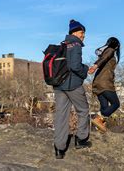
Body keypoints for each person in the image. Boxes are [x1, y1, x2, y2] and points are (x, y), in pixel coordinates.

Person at [53, 19, 91, 159]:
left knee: (61, 115)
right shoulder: (75, 45)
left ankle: (59, 148)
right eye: (82, 32)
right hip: (72, 85)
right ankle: (81, 140)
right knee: (83, 110)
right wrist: (85, 70)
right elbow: (75, 66)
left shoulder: (62, 44)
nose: (83, 36)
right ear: (74, 32)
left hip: (59, 85)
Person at [88, 37, 121, 132]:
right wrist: (95, 66)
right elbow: (104, 58)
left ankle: (100, 127)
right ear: (117, 46)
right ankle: (98, 117)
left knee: (105, 107)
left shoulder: (105, 52)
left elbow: (103, 58)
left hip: (97, 83)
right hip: (105, 83)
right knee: (116, 103)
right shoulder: (110, 50)